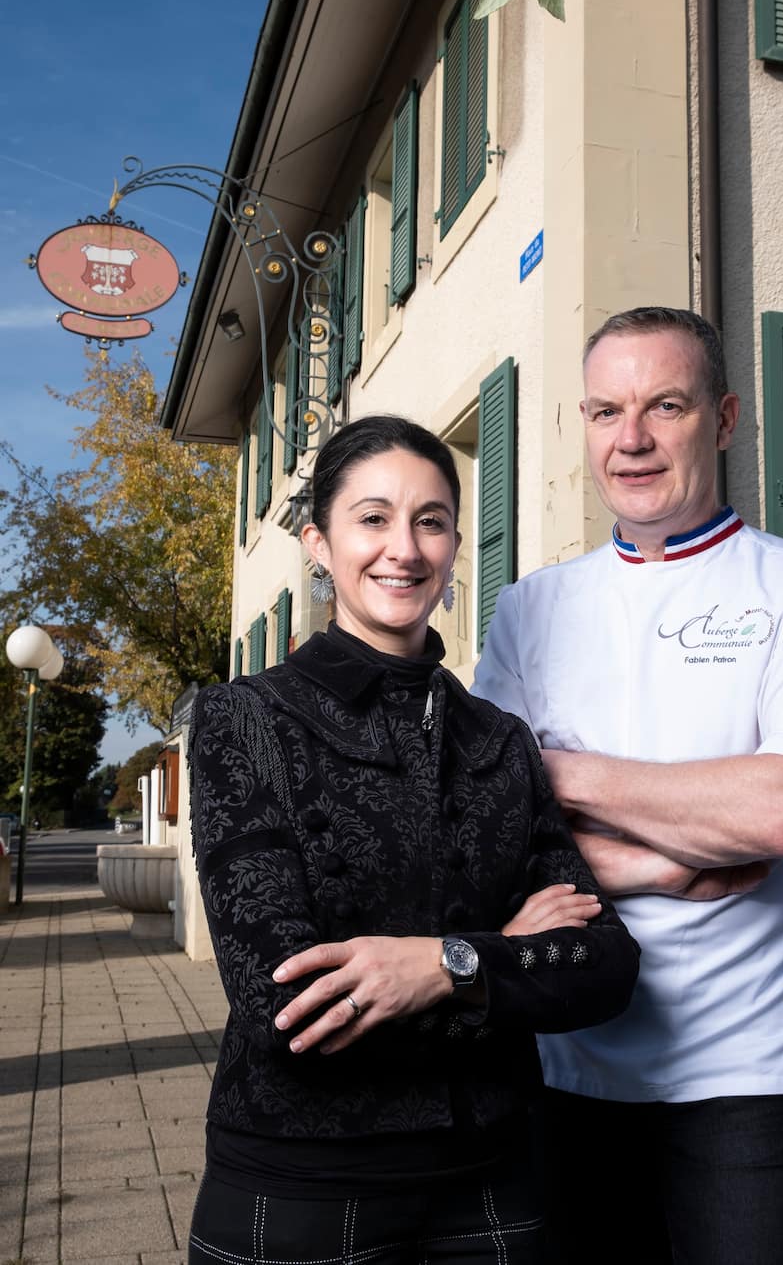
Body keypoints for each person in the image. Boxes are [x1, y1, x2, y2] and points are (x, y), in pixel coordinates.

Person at [473, 307, 783, 1265]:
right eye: (607, 410)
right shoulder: (532, 607)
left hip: (747, 1079)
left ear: (726, 417)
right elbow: (485, 826)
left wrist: (558, 770)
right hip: (562, 1063)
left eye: (666, 405)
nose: (633, 439)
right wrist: (662, 868)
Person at [187, 414, 640, 1265]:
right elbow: (285, 1007)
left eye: (430, 520)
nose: (404, 547)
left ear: (456, 544)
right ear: (319, 542)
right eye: (373, 518)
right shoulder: (244, 719)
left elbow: (608, 967)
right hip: (300, 1186)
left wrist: (438, 966)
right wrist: (500, 952)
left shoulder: (500, 739)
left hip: (493, 1180)